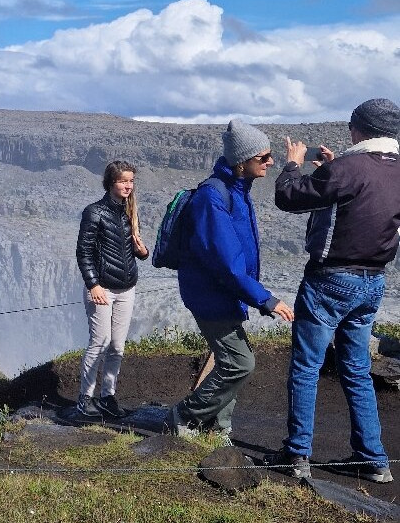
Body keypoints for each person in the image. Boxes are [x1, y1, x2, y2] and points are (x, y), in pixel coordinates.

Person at [266, 99, 400, 483]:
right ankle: (374, 460)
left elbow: (289, 197)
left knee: (306, 366)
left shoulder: (348, 168)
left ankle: (296, 454)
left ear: (357, 129)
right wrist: (331, 167)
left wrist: (292, 163)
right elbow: (366, 197)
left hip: (330, 280)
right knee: (357, 369)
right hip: (374, 281)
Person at [168, 121, 293, 439]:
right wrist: (265, 299)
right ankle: (185, 414)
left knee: (230, 362)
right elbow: (227, 263)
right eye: (264, 157)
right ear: (242, 161)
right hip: (212, 295)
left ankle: (218, 428)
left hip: (226, 294)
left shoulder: (237, 190)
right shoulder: (214, 197)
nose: (270, 162)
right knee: (240, 362)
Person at [75, 160, 149, 420]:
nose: (128, 185)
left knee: (117, 346)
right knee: (100, 342)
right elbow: (83, 251)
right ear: (110, 182)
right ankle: (85, 399)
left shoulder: (128, 213)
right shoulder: (94, 212)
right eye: (123, 181)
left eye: (130, 181)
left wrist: (143, 252)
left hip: (127, 289)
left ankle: (107, 397)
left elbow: (131, 250)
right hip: (102, 289)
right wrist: (93, 284)